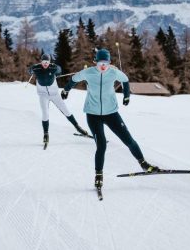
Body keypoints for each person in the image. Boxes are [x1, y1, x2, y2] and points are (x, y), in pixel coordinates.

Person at [61, 48, 158, 189]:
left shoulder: (113, 72)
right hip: (93, 115)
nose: (102, 66)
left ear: (109, 63)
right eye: (100, 62)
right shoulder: (88, 73)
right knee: (101, 145)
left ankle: (144, 164)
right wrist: (66, 90)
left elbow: (125, 80)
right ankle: (98, 176)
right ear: (95, 62)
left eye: (105, 63)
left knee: (128, 140)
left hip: (111, 113)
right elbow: (73, 79)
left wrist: (126, 95)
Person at [28, 54, 89, 146]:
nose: (45, 64)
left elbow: (59, 70)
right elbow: (29, 71)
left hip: (55, 94)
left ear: (49, 62)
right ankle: (46, 134)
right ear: (41, 62)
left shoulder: (53, 68)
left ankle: (77, 127)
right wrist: (31, 69)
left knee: (66, 111)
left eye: (47, 62)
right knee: (45, 113)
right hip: (43, 95)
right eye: (44, 62)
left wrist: (55, 67)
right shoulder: (37, 69)